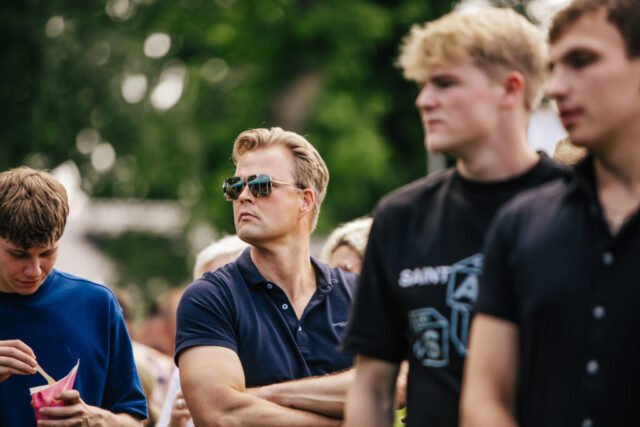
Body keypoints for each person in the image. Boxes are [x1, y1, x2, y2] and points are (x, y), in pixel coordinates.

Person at [342, 8, 568, 427]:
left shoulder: (579, 205)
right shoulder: (401, 216)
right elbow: (372, 387)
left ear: (510, 90)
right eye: (423, 85)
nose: (424, 100)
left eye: (445, 83)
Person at [460, 1, 640, 425]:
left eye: (582, 61)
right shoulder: (521, 222)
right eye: (553, 68)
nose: (556, 87)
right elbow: (484, 397)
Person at [175, 127, 357, 426]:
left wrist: (260, 395)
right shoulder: (209, 297)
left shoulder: (358, 294)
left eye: (261, 185)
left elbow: (392, 386)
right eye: (235, 186)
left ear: (305, 200)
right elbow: (220, 415)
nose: (244, 196)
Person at [0, 167, 147, 426]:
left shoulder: (97, 304)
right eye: (19, 255)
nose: (35, 270)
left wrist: (97, 420)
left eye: (47, 253)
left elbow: (134, 419)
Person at [156, 234, 247, 427]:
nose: (214, 293)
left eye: (226, 278)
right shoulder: (184, 370)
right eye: (207, 282)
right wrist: (174, 421)